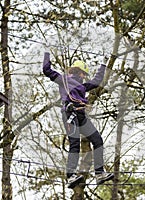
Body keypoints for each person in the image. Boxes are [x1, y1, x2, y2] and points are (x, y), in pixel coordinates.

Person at [42, 52, 114, 189]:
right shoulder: (63, 79)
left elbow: (97, 81)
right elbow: (47, 70)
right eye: (83, 74)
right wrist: (47, 54)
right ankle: (70, 176)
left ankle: (99, 173)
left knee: (97, 140)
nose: (84, 77)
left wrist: (103, 65)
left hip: (81, 116)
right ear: (77, 71)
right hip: (70, 114)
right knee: (75, 143)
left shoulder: (83, 86)